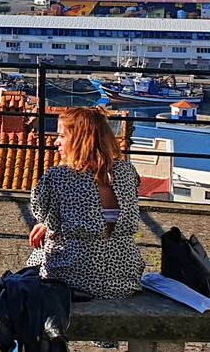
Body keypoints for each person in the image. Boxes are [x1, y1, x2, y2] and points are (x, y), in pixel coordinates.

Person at [26, 106, 144, 298]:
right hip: (124, 276)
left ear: (79, 139)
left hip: (74, 276)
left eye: (62, 136)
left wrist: (46, 224)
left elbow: (41, 212)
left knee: (35, 262)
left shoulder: (59, 176)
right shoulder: (128, 171)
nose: (56, 142)